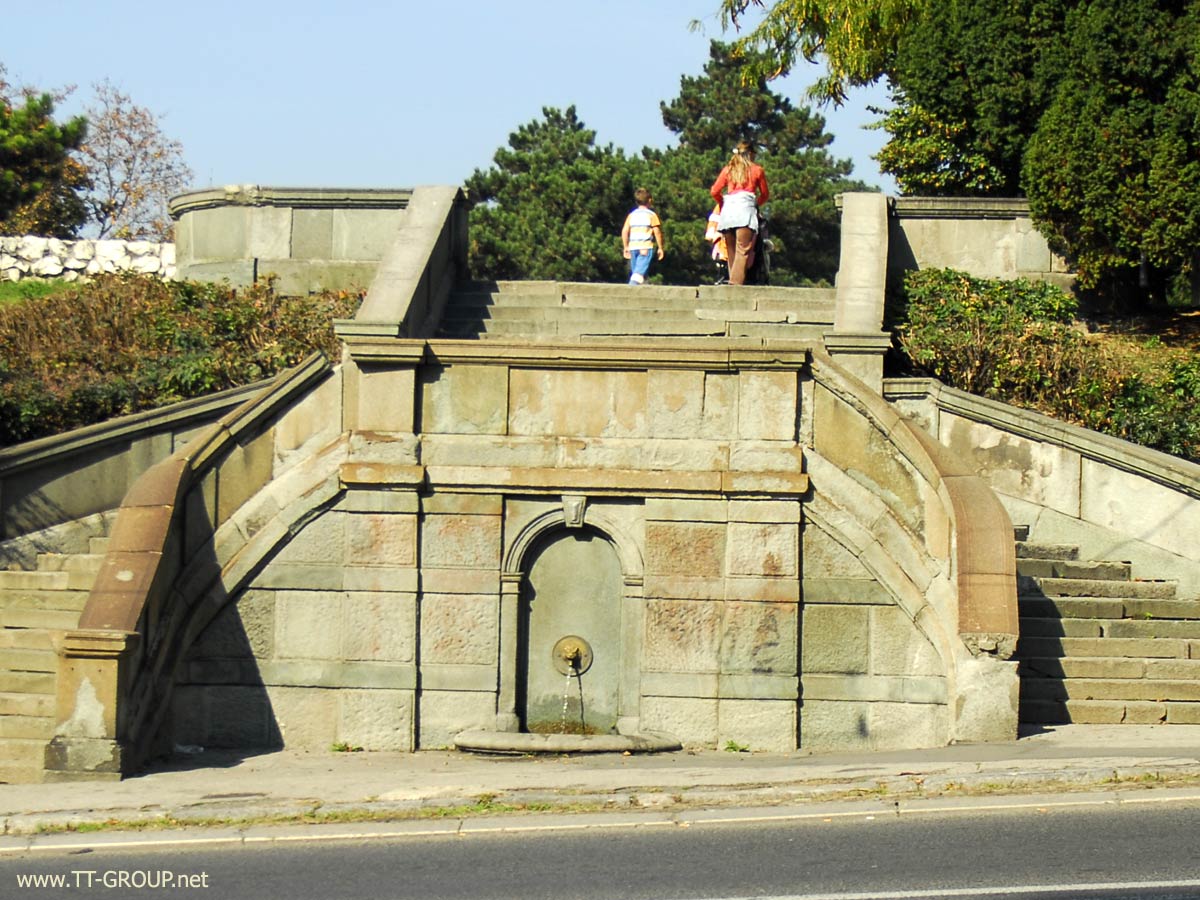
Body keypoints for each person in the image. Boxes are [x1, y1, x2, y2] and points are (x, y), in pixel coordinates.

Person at [709, 141, 769, 285]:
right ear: (750, 154)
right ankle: (735, 284)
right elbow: (765, 194)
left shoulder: (728, 170)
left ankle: (732, 279)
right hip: (745, 211)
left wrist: (723, 203)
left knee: (731, 252)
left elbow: (714, 191)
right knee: (743, 250)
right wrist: (756, 204)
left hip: (728, 211)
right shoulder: (757, 170)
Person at [621, 188, 665, 285]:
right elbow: (657, 231)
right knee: (637, 275)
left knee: (639, 272)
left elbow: (625, 230)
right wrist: (660, 247)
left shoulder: (631, 215)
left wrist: (625, 246)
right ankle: (629, 289)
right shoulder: (651, 215)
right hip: (645, 246)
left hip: (633, 247)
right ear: (649, 200)